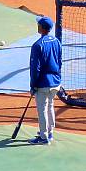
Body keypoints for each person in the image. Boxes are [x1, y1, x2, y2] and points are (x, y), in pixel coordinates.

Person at [29, 16, 62, 145]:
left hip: (43, 83)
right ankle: (50, 132)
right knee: (50, 106)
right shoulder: (56, 41)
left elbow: (35, 68)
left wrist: (33, 85)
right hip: (55, 82)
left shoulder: (37, 45)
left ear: (41, 28)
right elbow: (59, 61)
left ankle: (43, 137)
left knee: (42, 109)